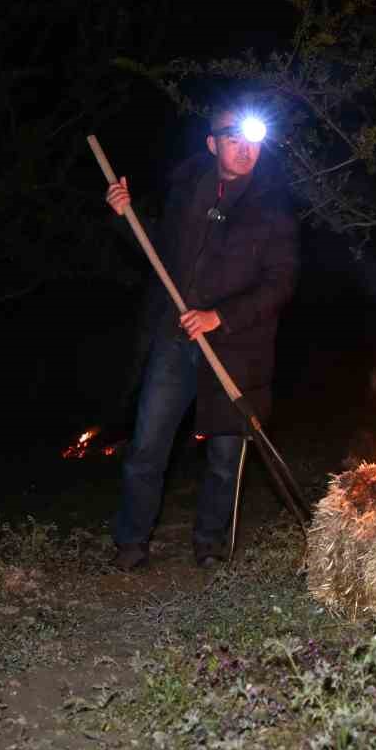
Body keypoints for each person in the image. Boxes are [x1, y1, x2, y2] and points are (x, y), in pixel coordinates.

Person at [105, 104, 299, 570]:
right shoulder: (186, 190)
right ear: (213, 144)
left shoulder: (273, 207)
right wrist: (124, 215)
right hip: (175, 342)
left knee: (225, 456)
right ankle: (131, 543)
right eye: (233, 138)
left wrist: (220, 317)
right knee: (148, 445)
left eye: (253, 140)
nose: (245, 148)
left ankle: (211, 546)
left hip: (236, 351)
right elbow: (159, 254)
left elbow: (280, 284)